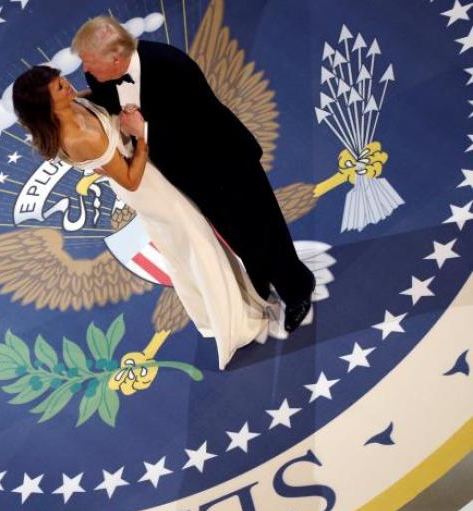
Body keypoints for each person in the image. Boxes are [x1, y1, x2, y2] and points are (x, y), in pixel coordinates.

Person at [12, 65, 271, 369]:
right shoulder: (79, 138)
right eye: (59, 88)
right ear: (46, 106)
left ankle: (219, 310)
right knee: (198, 243)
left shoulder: (72, 107)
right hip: (149, 189)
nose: (67, 86)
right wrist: (141, 133)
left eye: (61, 80)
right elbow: (131, 179)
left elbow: (94, 99)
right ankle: (236, 323)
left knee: (183, 250)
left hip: (152, 173)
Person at [71, 15, 315, 332]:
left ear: (116, 58)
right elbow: (109, 101)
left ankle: (297, 289)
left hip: (226, 159)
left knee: (264, 225)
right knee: (231, 228)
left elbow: (200, 127)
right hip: (184, 171)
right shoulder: (98, 76)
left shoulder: (172, 65)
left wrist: (143, 129)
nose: (86, 70)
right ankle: (258, 276)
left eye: (90, 63)